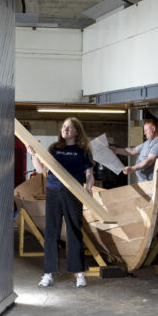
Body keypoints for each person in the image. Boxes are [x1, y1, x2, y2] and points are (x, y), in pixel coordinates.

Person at [28, 117, 95, 288]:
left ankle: (79, 273)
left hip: (73, 193)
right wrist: (33, 155)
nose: (65, 130)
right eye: (64, 127)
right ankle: (48, 274)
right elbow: (41, 170)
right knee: (51, 232)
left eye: (70, 127)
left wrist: (88, 188)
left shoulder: (82, 151)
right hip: (53, 191)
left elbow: (89, 174)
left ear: (76, 131)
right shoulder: (54, 149)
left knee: (74, 231)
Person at [113, 118, 158, 184]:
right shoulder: (148, 142)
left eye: (146, 130)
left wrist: (133, 168)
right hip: (144, 181)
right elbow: (132, 150)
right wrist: (116, 150)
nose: (144, 133)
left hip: (152, 182)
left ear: (153, 129)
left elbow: (150, 161)